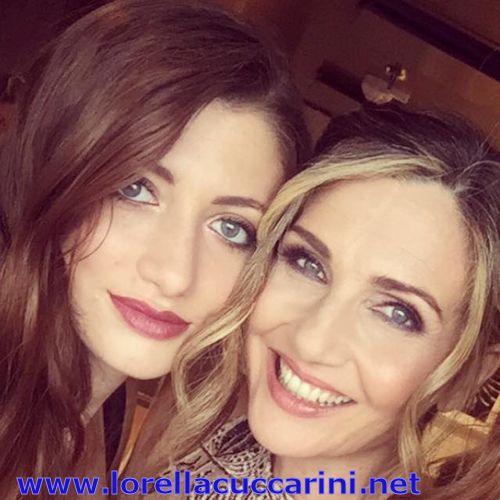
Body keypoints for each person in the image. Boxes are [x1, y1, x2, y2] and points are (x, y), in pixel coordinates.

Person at [0, 0, 310, 495]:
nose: (174, 274)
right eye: (135, 190)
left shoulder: (110, 407)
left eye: (232, 228)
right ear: (56, 167)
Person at [156, 108, 499, 498]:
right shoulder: (188, 430)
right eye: (308, 264)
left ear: (467, 377)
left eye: (397, 313)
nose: (311, 341)